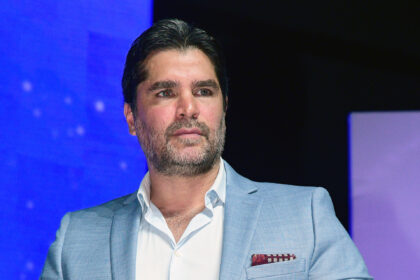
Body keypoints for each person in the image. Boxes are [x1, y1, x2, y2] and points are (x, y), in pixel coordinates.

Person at [41, 19, 372, 280]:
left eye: (203, 91)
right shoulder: (77, 237)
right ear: (131, 116)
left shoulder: (305, 215)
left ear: (224, 108)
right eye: (165, 93)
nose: (188, 108)